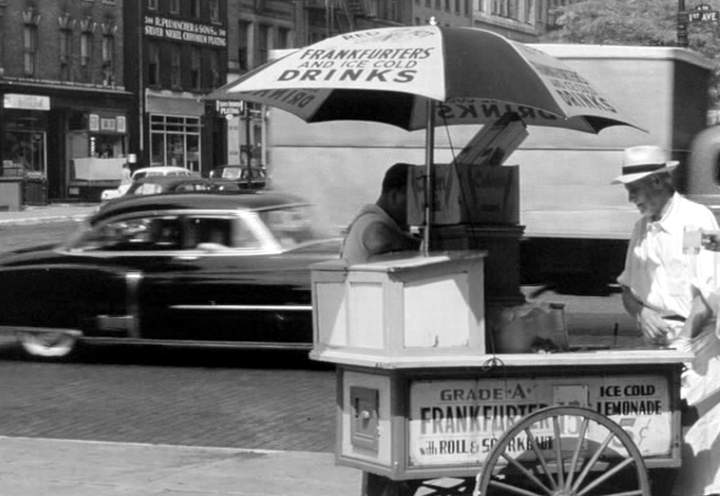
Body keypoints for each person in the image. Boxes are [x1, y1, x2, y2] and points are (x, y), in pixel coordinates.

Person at [613, 145, 719, 347]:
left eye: (634, 190)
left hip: (697, 346)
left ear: (656, 181)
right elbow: (627, 290)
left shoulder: (695, 223)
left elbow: (710, 293)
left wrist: (682, 341)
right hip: (658, 345)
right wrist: (642, 313)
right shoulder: (640, 229)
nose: (630, 199)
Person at [340, 162, 421, 264]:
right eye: (414, 200)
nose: (419, 207)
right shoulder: (370, 221)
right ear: (395, 196)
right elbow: (377, 239)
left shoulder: (385, 221)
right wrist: (420, 245)